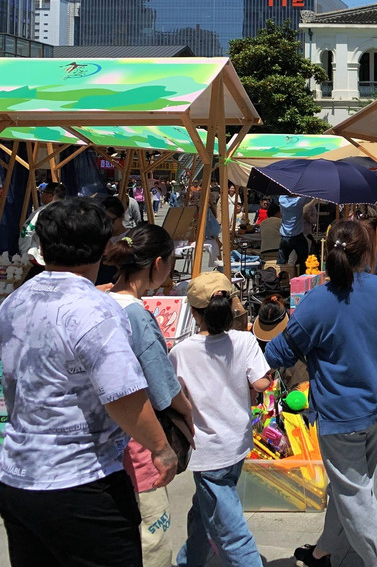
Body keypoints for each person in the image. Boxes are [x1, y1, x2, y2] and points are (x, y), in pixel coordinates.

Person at [0, 198, 178, 567]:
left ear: (43, 247)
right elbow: (122, 396)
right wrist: (161, 448)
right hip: (82, 482)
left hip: (18, 479)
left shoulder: (13, 302)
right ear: (101, 248)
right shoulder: (96, 309)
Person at [266, 220, 377, 567]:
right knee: (353, 487)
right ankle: (325, 550)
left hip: (341, 416)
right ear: (367, 254)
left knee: (355, 494)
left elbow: (278, 354)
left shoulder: (316, 302)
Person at [105, 224, 194, 567]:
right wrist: (187, 411)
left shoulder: (100, 302)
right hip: (138, 443)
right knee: (152, 539)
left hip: (102, 446)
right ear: (158, 264)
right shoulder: (137, 316)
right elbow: (162, 386)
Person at [169, 272, 271, 567]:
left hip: (208, 450)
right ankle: (190, 559)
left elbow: (174, 396)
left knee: (230, 531)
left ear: (194, 313)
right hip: (237, 443)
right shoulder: (244, 341)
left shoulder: (181, 352)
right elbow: (261, 384)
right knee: (205, 508)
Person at [17, 181, 64, 264]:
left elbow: (27, 232)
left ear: (50, 196)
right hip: (64, 259)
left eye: (43, 192)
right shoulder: (71, 212)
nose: (41, 195)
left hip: (40, 259)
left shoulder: (41, 212)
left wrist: (24, 253)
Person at [278, 193, 312, 265]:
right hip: (297, 236)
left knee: (282, 260)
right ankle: (302, 273)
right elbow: (310, 196)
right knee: (304, 260)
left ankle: (281, 275)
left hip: (285, 236)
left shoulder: (282, 199)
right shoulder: (299, 201)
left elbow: (283, 194)